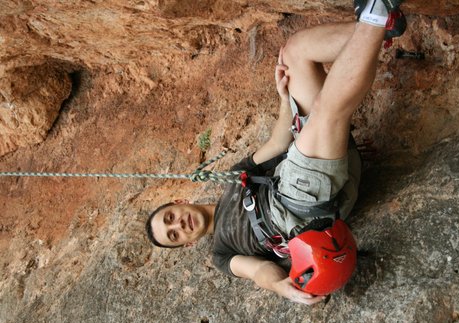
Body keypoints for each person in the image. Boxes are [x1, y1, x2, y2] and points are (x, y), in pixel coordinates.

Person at [146, 0, 406, 305]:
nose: (179, 225)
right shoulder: (222, 252)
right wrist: (281, 286)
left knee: (295, 53)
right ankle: (375, 16)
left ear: (179, 202)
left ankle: (379, 29)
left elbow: (277, 145)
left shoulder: (235, 178)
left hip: (308, 162)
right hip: (300, 203)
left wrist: (284, 98)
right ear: (188, 245)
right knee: (325, 112)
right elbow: (260, 271)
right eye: (175, 235)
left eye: (170, 217)